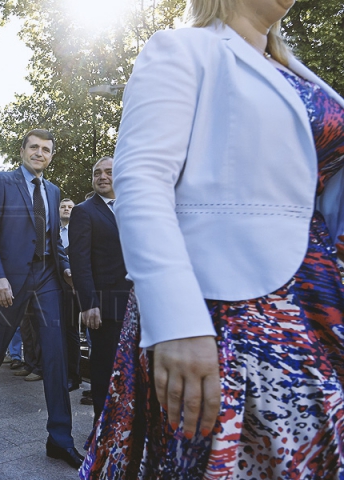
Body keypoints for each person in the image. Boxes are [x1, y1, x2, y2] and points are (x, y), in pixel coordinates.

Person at [80, 1, 344, 478]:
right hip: (229, 311)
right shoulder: (182, 49)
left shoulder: (298, 72)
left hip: (321, 300)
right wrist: (178, 322)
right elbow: (141, 180)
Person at [0, 129, 83, 469]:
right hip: (10, 279)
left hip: (47, 277)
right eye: (34, 147)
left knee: (56, 354)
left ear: (51, 156)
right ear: (22, 151)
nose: (39, 153)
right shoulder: (1, 182)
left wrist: (66, 270)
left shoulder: (53, 190)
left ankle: (59, 439)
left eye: (46, 149)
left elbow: (54, 242)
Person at [69, 157, 131, 421]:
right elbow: (79, 261)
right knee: (105, 369)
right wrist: (89, 302)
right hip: (105, 305)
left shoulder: (134, 207)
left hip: (139, 302)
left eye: (108, 172)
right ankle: (102, 428)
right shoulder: (84, 211)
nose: (102, 176)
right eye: (97, 173)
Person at [58, 198, 81, 391]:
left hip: (79, 285)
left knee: (79, 332)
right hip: (59, 286)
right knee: (64, 331)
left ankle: (76, 376)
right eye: (63, 207)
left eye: (70, 207)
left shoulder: (81, 228)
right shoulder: (54, 233)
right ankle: (67, 375)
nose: (67, 210)